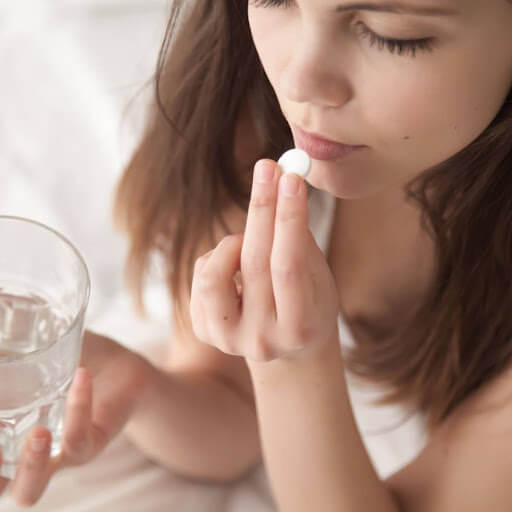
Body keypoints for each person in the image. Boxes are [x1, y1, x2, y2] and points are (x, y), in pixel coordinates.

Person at [2, 0, 512, 509]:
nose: (298, 81)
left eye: (391, 35)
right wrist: (135, 383)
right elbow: (234, 406)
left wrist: (294, 368)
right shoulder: (249, 111)